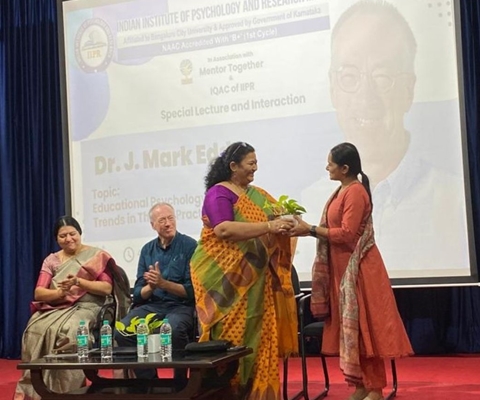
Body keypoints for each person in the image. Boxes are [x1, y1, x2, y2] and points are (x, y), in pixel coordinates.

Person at [300, 0, 468, 273]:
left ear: (409, 89)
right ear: (333, 88)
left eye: (382, 77)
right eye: (349, 76)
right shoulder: (309, 200)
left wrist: (310, 230)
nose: (366, 97)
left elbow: (347, 235)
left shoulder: (453, 201)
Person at [292, 143, 413, 400]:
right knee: (352, 333)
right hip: (342, 271)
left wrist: (310, 229)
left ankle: (375, 388)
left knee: (364, 331)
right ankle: (360, 385)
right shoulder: (341, 190)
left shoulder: (355, 192)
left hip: (359, 271)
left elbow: (347, 234)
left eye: (331, 163)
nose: (327, 167)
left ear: (345, 168)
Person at [190, 141, 299, 400]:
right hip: (223, 281)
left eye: (256, 163)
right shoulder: (219, 193)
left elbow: (283, 217)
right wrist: (269, 227)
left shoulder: (257, 195)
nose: (255, 168)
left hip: (257, 282)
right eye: (251, 163)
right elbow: (223, 229)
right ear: (233, 166)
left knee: (259, 337)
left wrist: (292, 222)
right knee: (229, 339)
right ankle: (228, 392)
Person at [14, 216, 118, 400]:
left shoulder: (96, 256)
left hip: (88, 306)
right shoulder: (52, 260)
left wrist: (79, 282)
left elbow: (106, 288)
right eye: (63, 236)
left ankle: (69, 391)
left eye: (72, 234)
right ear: (57, 239)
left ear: (80, 233)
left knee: (71, 330)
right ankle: (38, 390)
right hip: (57, 307)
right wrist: (59, 293)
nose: (69, 239)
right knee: (34, 329)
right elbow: (39, 292)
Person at [114, 202, 197, 387]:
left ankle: (180, 384)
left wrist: (163, 284)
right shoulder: (147, 250)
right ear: (153, 225)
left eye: (170, 218)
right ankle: (149, 382)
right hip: (153, 305)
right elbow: (138, 293)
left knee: (174, 328)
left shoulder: (190, 246)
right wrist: (151, 287)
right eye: (162, 220)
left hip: (180, 306)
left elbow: (191, 291)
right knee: (122, 330)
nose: (168, 223)